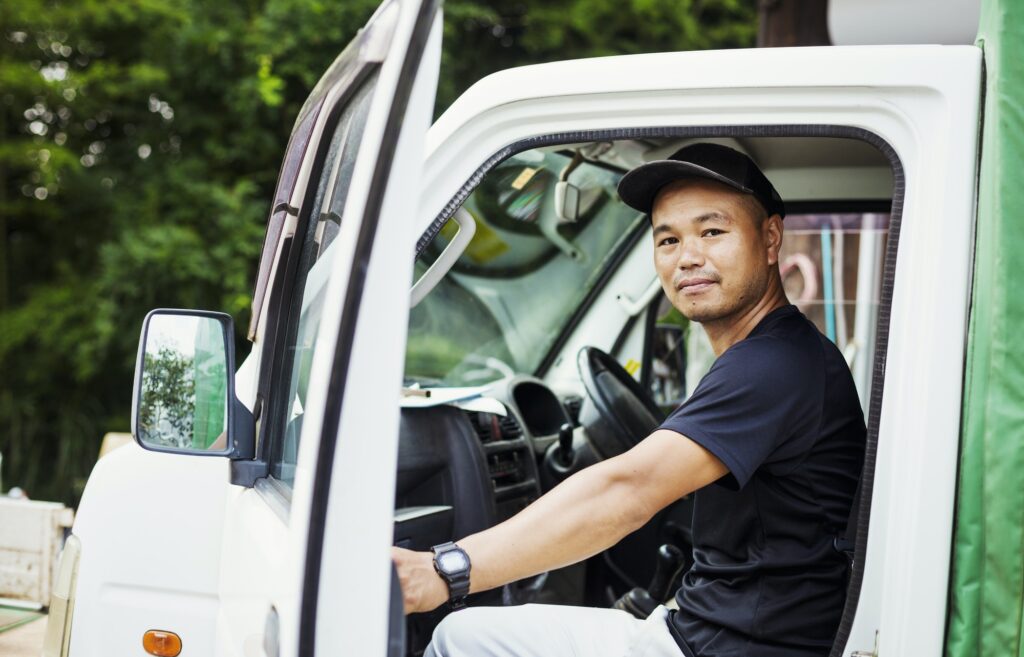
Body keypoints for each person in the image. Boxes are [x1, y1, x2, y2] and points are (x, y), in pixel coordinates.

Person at [392, 143, 866, 657]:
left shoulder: (771, 366)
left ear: (770, 238)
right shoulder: (780, 352)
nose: (688, 257)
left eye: (712, 232)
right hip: (729, 627)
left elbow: (628, 489)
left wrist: (446, 569)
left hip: (727, 645)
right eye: (668, 239)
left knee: (458, 637)